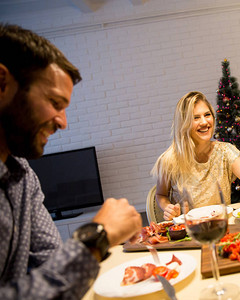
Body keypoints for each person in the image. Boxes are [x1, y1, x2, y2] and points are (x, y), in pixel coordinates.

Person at [0, 23, 142, 299]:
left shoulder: (24, 176)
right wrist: (96, 236)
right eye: (54, 103)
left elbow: (52, 268)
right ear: (2, 83)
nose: (63, 123)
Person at [151, 91, 240, 220]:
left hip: (222, 225)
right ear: (183, 123)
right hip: (190, 230)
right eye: (195, 117)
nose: (204, 122)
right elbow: (161, 194)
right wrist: (168, 207)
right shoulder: (170, 159)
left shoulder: (225, 151)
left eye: (207, 115)